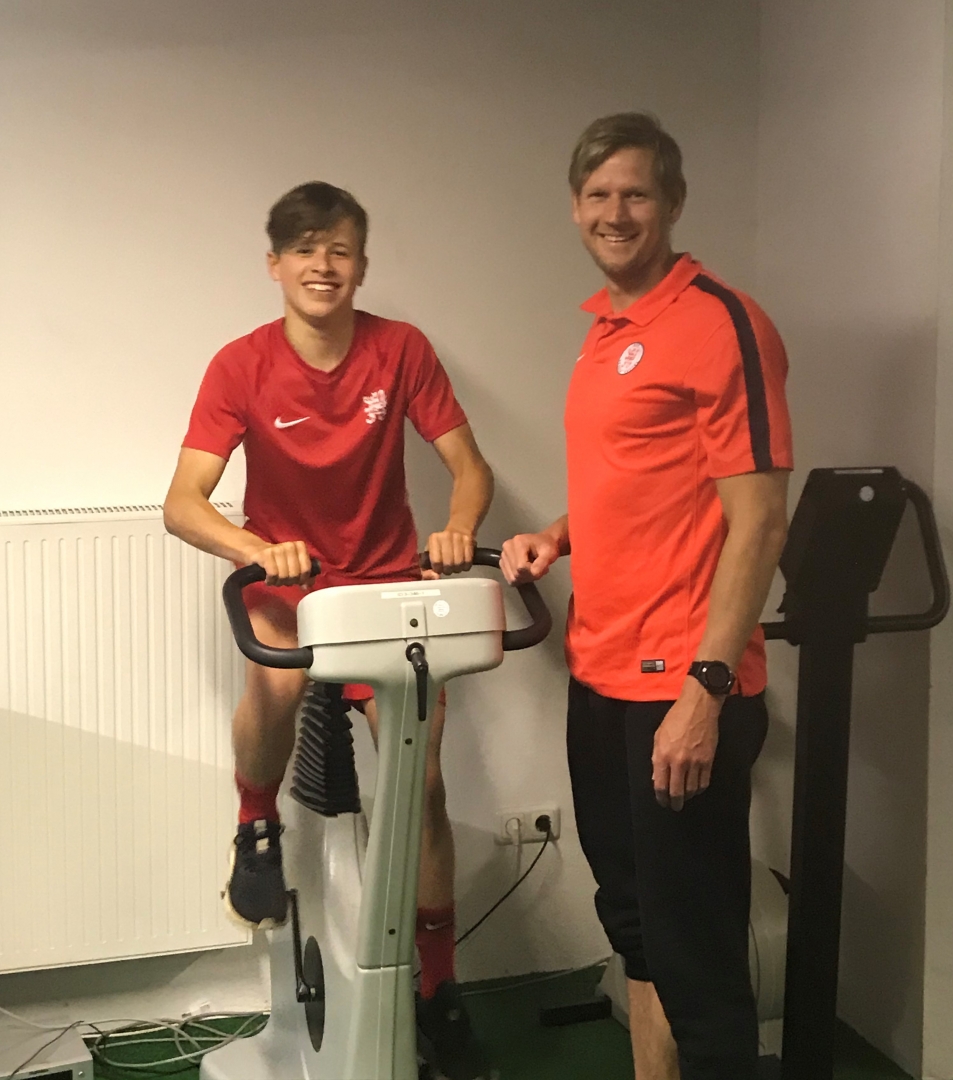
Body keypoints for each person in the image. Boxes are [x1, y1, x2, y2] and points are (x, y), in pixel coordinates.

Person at [163, 181, 495, 1080]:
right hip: (292, 582)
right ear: (275, 265)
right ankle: (255, 823)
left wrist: (458, 526)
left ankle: (438, 984)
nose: (324, 265)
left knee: (423, 783)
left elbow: (469, 468)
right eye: (306, 249)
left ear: (361, 264)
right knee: (274, 683)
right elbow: (183, 503)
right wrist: (256, 548)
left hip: (386, 584)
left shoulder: (400, 349)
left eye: (340, 249)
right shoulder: (240, 365)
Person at [500, 113, 793, 1080]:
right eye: (597, 195)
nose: (614, 213)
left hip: (681, 684)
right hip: (600, 674)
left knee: (696, 959)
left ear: (671, 202)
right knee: (633, 928)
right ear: (574, 208)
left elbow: (758, 521)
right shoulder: (606, 330)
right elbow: (637, 482)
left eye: (634, 193)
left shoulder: (720, 321)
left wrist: (705, 691)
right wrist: (557, 535)